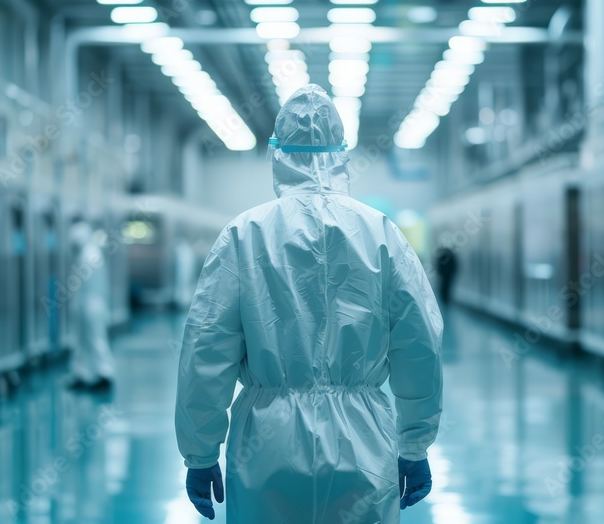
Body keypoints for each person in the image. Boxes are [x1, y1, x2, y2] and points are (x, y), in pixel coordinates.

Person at [175, 84, 444, 522]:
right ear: (341, 153)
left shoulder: (245, 235)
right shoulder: (381, 233)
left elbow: (206, 347)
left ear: (276, 153)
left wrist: (200, 451)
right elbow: (420, 341)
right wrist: (414, 442)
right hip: (363, 441)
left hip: (266, 442)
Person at [67, 219, 115, 392]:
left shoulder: (89, 255)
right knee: (83, 341)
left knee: (95, 339)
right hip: (89, 304)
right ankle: (84, 374)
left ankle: (104, 374)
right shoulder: (87, 253)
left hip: (91, 305)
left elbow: (83, 286)